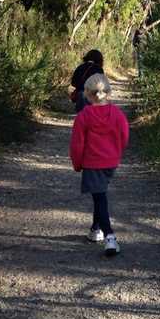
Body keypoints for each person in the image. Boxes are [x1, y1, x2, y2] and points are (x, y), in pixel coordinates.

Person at [69, 73, 129, 256]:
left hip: (93, 163)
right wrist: (116, 153)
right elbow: (124, 136)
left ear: (86, 94)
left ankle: (110, 237)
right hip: (110, 163)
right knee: (99, 194)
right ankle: (96, 229)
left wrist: (78, 163)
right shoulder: (117, 114)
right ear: (108, 92)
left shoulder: (83, 116)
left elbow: (77, 144)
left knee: (100, 197)